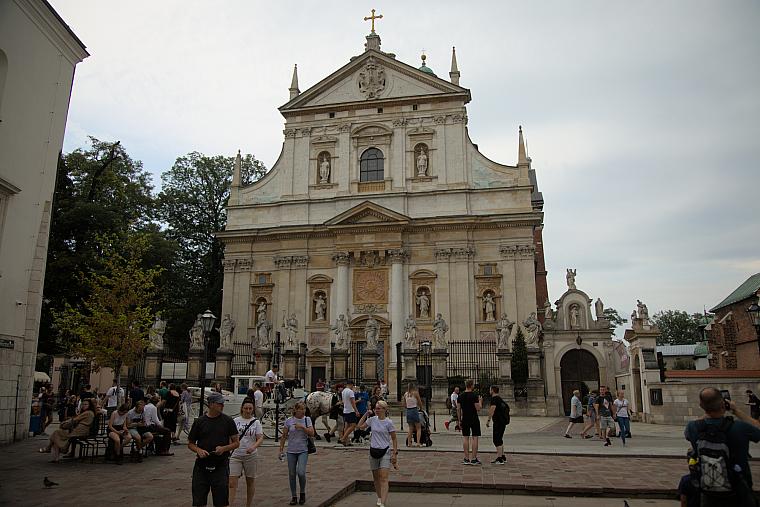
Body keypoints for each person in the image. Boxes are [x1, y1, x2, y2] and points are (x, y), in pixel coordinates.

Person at [684, 387, 760, 506]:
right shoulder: (740, 427)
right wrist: (735, 410)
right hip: (739, 490)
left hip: (707, 490)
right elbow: (757, 429)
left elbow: (690, 431)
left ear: (701, 405)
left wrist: (707, 410)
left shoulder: (693, 427)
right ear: (723, 405)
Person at [188, 391, 240, 507]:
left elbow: (236, 443)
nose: (222, 406)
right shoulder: (200, 422)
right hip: (202, 465)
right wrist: (198, 450)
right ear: (211, 404)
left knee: (221, 501)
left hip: (220, 465)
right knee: (198, 501)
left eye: (222, 403)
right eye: (219, 404)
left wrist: (224, 448)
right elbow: (190, 443)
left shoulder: (228, 421)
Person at [358, 400, 398, 507]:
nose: (377, 410)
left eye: (379, 408)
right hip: (373, 451)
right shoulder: (372, 420)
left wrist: (395, 453)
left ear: (384, 410)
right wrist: (366, 414)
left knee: (384, 477)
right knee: (376, 478)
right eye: (376, 408)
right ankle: (379, 497)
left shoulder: (389, 422)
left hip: (385, 451)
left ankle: (383, 502)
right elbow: (360, 426)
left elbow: (394, 438)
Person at [279, 401, 314, 506]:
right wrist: (281, 449)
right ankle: (294, 496)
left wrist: (303, 428)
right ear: (296, 410)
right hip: (291, 450)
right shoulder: (289, 421)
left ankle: (302, 493)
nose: (303, 411)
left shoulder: (307, 419)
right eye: (301, 409)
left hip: (303, 450)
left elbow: (312, 433)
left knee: (301, 472)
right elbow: (284, 435)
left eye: (304, 409)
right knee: (292, 473)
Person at [229, 399, 263, 507]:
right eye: (246, 408)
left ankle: (248, 504)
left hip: (250, 455)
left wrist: (253, 447)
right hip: (236, 454)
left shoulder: (256, 422)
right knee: (231, 482)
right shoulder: (235, 421)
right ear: (242, 408)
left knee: (250, 481)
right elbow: (230, 437)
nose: (248, 411)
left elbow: (260, 438)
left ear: (253, 409)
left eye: (250, 408)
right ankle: (229, 504)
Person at [39, 398, 95, 463]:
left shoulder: (88, 413)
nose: (84, 406)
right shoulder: (89, 412)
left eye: (86, 404)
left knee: (56, 433)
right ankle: (52, 453)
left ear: (89, 405)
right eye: (83, 404)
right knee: (56, 434)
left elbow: (74, 420)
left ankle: (51, 450)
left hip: (79, 432)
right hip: (79, 431)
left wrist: (63, 423)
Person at [457, 379, 482, 465]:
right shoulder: (474, 395)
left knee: (465, 437)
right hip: (474, 417)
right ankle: (474, 458)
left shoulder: (460, 396)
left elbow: (458, 409)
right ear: (471, 385)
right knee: (475, 437)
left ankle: (466, 458)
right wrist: (480, 402)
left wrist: (459, 420)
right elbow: (478, 408)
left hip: (465, 418)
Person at [486, 385, 508, 464]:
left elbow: (492, 409)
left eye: (490, 389)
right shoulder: (500, 399)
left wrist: (488, 420)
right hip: (502, 421)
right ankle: (502, 456)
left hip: (498, 422)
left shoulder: (494, 399)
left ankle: (500, 459)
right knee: (500, 439)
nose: (489, 391)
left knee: (496, 439)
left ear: (492, 390)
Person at [340, 381, 360, 446]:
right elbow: (353, 402)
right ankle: (343, 439)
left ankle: (346, 441)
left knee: (347, 426)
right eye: (352, 386)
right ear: (351, 385)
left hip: (345, 410)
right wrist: (356, 411)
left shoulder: (343, 391)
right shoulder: (350, 392)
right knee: (353, 426)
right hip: (351, 410)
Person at [403, 383, 423, 447]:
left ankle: (409, 443)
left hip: (408, 411)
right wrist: (421, 408)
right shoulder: (415, 393)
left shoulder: (405, 394)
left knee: (410, 428)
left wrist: (408, 406)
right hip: (414, 410)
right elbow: (420, 402)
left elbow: (404, 404)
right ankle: (418, 443)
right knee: (418, 428)